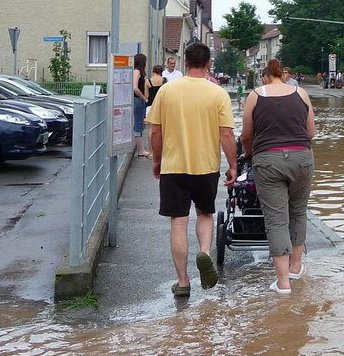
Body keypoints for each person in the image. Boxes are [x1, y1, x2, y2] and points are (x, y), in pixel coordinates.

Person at [146, 42, 237, 298]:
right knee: (205, 213)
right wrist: (232, 165)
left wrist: (157, 159)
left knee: (179, 222)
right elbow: (227, 135)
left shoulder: (167, 91)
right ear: (209, 64)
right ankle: (205, 253)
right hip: (206, 166)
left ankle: (183, 282)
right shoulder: (218, 94)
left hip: (173, 166)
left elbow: (155, 130)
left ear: (184, 63)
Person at [240, 58, 316, 295]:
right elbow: (311, 132)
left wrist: (249, 154)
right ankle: (296, 268)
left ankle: (283, 283)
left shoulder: (255, 95)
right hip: (302, 158)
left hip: (269, 161)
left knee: (276, 220)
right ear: (282, 75)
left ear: (264, 77)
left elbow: (246, 136)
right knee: (298, 212)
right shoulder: (301, 93)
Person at [132, 53, 150, 158]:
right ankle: (141, 150)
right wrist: (144, 98)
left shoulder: (137, 71)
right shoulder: (137, 71)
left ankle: (141, 149)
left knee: (139, 123)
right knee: (138, 124)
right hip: (138, 100)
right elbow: (135, 87)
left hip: (138, 100)